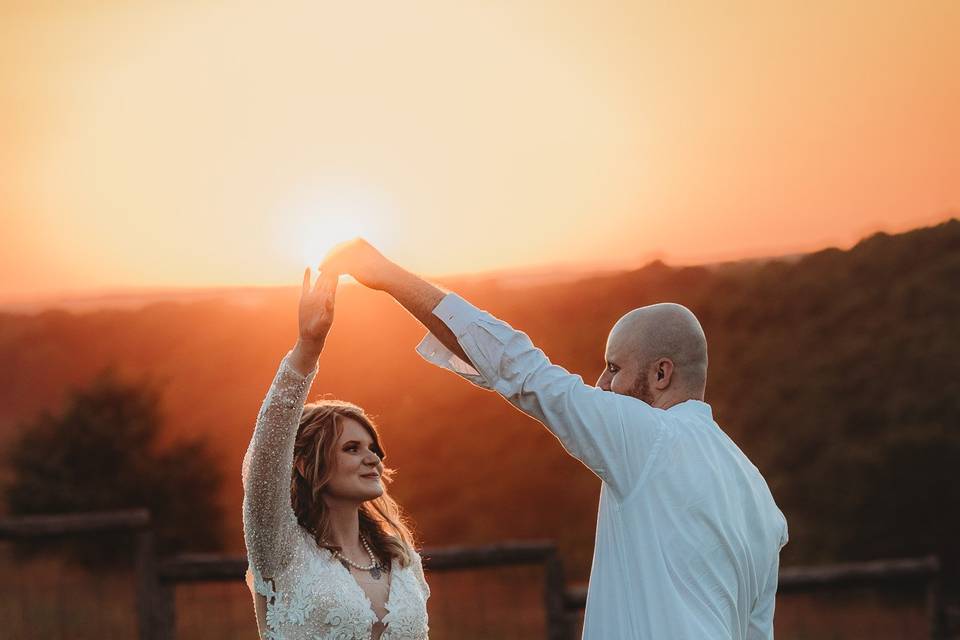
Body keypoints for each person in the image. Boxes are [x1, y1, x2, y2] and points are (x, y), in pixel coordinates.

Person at [321, 239, 789, 640]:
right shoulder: (759, 497)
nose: (602, 384)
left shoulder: (648, 440)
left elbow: (519, 369)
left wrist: (387, 276)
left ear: (661, 373)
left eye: (614, 368)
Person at [242, 268, 430, 640]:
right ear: (305, 464)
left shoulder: (400, 558)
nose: (373, 458)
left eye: (373, 448)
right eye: (352, 448)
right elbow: (265, 461)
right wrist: (306, 349)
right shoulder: (281, 549)